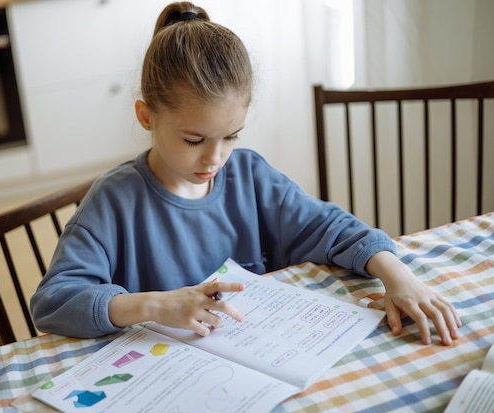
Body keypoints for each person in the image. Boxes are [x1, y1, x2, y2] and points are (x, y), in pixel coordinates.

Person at [30, 1, 461, 345]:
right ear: (146, 115)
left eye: (231, 136)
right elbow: (54, 301)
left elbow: (332, 227)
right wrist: (152, 305)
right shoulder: (114, 201)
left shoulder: (249, 175)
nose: (214, 159)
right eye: (194, 140)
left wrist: (397, 276)